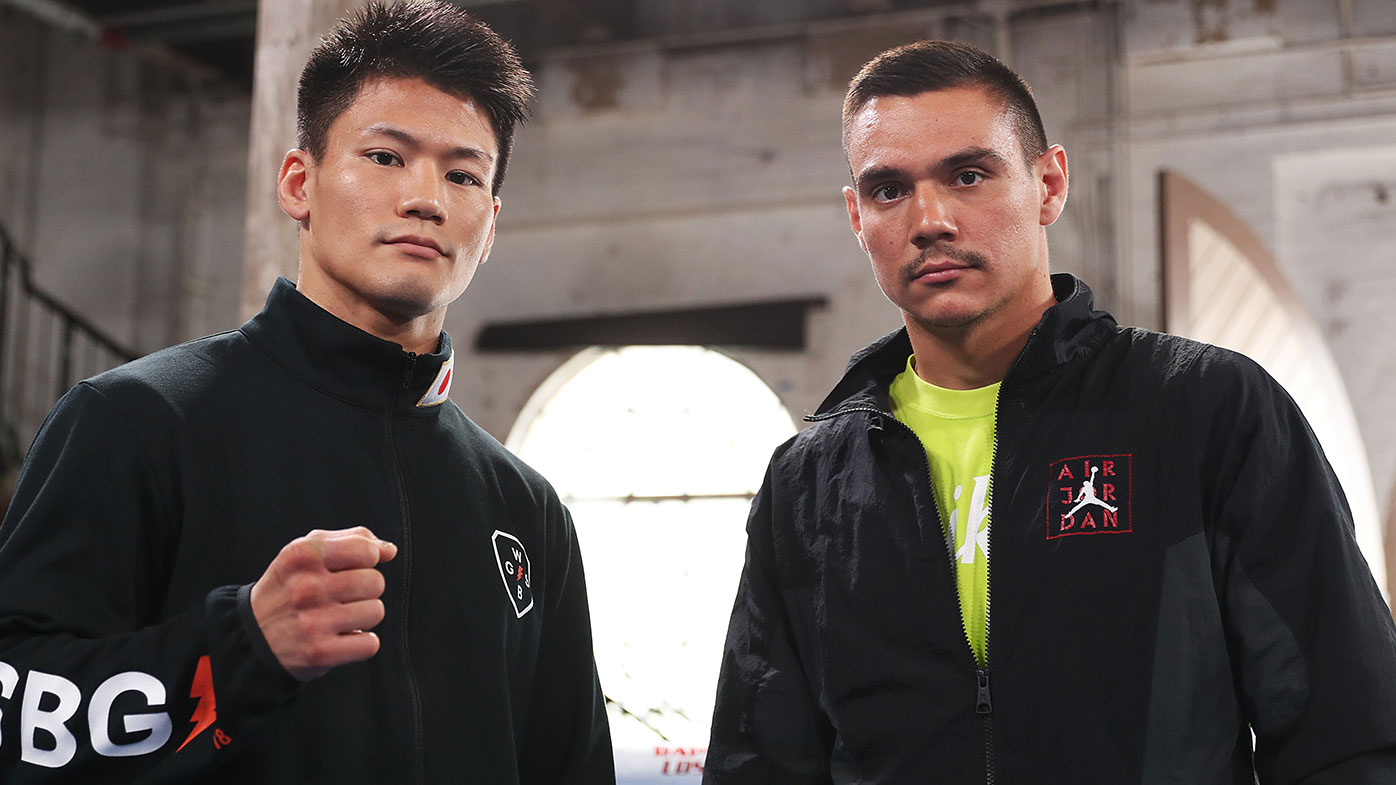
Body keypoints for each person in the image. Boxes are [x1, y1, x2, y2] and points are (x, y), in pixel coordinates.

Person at [704, 40, 1396, 784]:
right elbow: (759, 763)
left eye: (968, 175)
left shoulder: (1206, 410)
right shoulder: (808, 485)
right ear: (857, 217)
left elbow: (1347, 730)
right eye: (888, 190)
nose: (929, 218)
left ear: (1049, 183)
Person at [0, 2, 614, 782]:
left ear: (487, 227)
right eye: (387, 157)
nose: (426, 197)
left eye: (462, 174)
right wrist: (242, 647)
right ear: (299, 182)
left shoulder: (526, 508)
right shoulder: (135, 422)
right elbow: (17, 715)